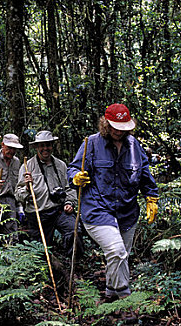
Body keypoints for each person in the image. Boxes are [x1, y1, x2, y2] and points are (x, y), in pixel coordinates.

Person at [67, 103, 158, 301]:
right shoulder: (91, 143)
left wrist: (151, 197)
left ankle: (110, 295)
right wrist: (76, 178)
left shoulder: (134, 145)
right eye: (115, 127)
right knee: (117, 251)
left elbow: (144, 173)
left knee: (120, 255)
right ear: (105, 124)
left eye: (123, 127)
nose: (119, 131)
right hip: (97, 209)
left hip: (127, 212)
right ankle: (125, 298)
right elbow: (72, 169)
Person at [15, 130, 83, 257]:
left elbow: (69, 188)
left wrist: (69, 203)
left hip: (58, 210)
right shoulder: (27, 166)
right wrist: (27, 190)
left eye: (48, 145)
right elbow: (18, 195)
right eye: (42, 145)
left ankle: (74, 266)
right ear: (36, 147)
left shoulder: (60, 165)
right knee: (39, 250)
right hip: (37, 213)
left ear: (52, 146)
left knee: (74, 231)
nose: (45, 148)